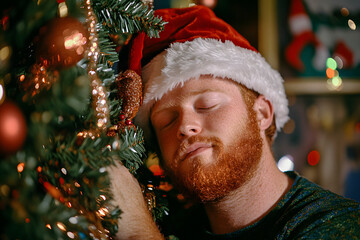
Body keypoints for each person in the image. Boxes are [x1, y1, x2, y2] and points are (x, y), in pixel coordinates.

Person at [108, 5, 360, 239]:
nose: (185, 126)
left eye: (207, 105)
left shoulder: (338, 225)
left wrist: (137, 232)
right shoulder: (172, 227)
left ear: (262, 113)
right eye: (166, 120)